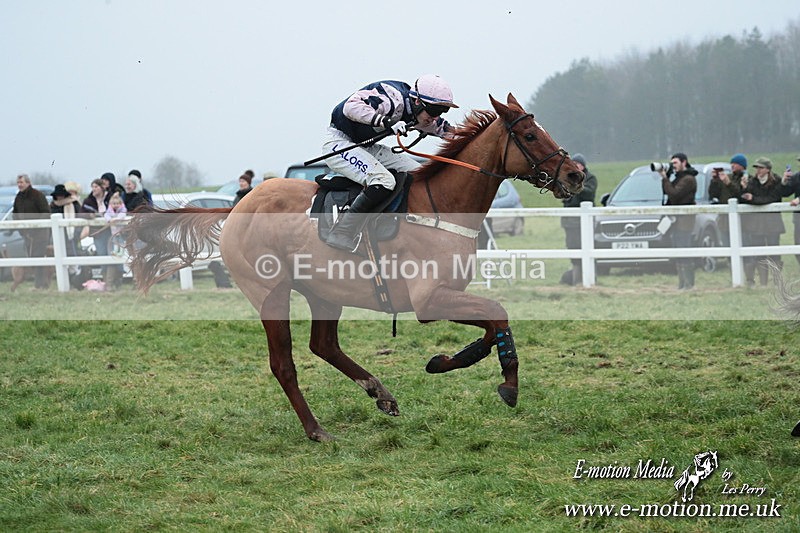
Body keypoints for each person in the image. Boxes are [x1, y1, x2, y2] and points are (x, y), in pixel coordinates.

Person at [322, 74, 459, 251]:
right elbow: (350, 107)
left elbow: (448, 131)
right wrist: (387, 122)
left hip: (366, 147)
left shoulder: (420, 114)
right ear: (417, 101)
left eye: (441, 112)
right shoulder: (391, 98)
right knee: (384, 180)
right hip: (339, 143)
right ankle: (342, 232)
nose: (435, 117)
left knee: (419, 174)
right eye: (433, 111)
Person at [740, 157, 785, 286]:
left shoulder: (776, 181)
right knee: (758, 251)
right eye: (757, 168)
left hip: (772, 222)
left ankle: (777, 281)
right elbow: (744, 198)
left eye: (761, 168)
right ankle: (763, 283)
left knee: (774, 251)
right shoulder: (752, 182)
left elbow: (772, 198)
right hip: (756, 223)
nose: (758, 170)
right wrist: (744, 188)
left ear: (768, 169)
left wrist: (753, 198)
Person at [657, 153, 698, 290]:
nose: (673, 165)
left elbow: (674, 194)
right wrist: (666, 177)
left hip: (685, 221)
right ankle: (682, 283)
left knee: (684, 250)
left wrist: (664, 178)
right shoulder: (679, 178)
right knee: (678, 251)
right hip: (676, 220)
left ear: (684, 162)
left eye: (675, 163)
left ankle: (689, 284)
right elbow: (669, 193)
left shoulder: (688, 179)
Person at [559, 153, 597, 286]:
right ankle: (576, 278)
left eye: (578, 164)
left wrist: (576, 185)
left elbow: (589, 193)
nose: (576, 166)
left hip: (585, 222)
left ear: (583, 166)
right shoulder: (566, 178)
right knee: (572, 247)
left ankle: (589, 277)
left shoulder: (591, 178)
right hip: (570, 222)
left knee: (587, 247)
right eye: (574, 164)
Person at [12, 174, 51, 289]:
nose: (19, 185)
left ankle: (40, 285)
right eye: (18, 183)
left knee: (38, 257)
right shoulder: (19, 197)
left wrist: (35, 225)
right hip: (26, 234)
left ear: (28, 183)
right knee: (32, 257)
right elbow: (15, 214)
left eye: (21, 182)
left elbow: (46, 212)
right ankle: (40, 284)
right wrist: (21, 229)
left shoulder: (37, 195)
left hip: (40, 234)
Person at [709, 153, 747, 247]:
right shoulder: (727, 177)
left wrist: (729, 184)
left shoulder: (746, 179)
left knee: (742, 243)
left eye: (735, 163)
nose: (732, 165)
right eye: (732, 163)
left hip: (742, 220)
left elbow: (740, 195)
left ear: (742, 166)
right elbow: (713, 194)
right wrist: (715, 180)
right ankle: (729, 261)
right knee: (727, 244)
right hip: (724, 219)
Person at [49, 183, 82, 258]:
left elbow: (80, 217)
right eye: (58, 195)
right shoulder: (52, 206)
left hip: (71, 234)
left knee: (73, 253)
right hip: (56, 235)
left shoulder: (74, 204)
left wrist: (77, 232)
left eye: (61, 195)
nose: (60, 197)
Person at [104, 193, 128, 289]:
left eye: (117, 203)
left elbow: (123, 215)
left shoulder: (123, 209)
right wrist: (110, 220)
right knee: (114, 245)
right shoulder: (109, 210)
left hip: (121, 232)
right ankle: (110, 283)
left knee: (121, 244)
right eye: (114, 203)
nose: (115, 205)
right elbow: (106, 215)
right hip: (114, 232)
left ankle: (120, 251)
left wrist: (116, 219)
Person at [780, 154, 800, 266]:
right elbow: (785, 193)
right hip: (799, 218)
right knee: (798, 246)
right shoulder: (797, 177)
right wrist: (784, 181)